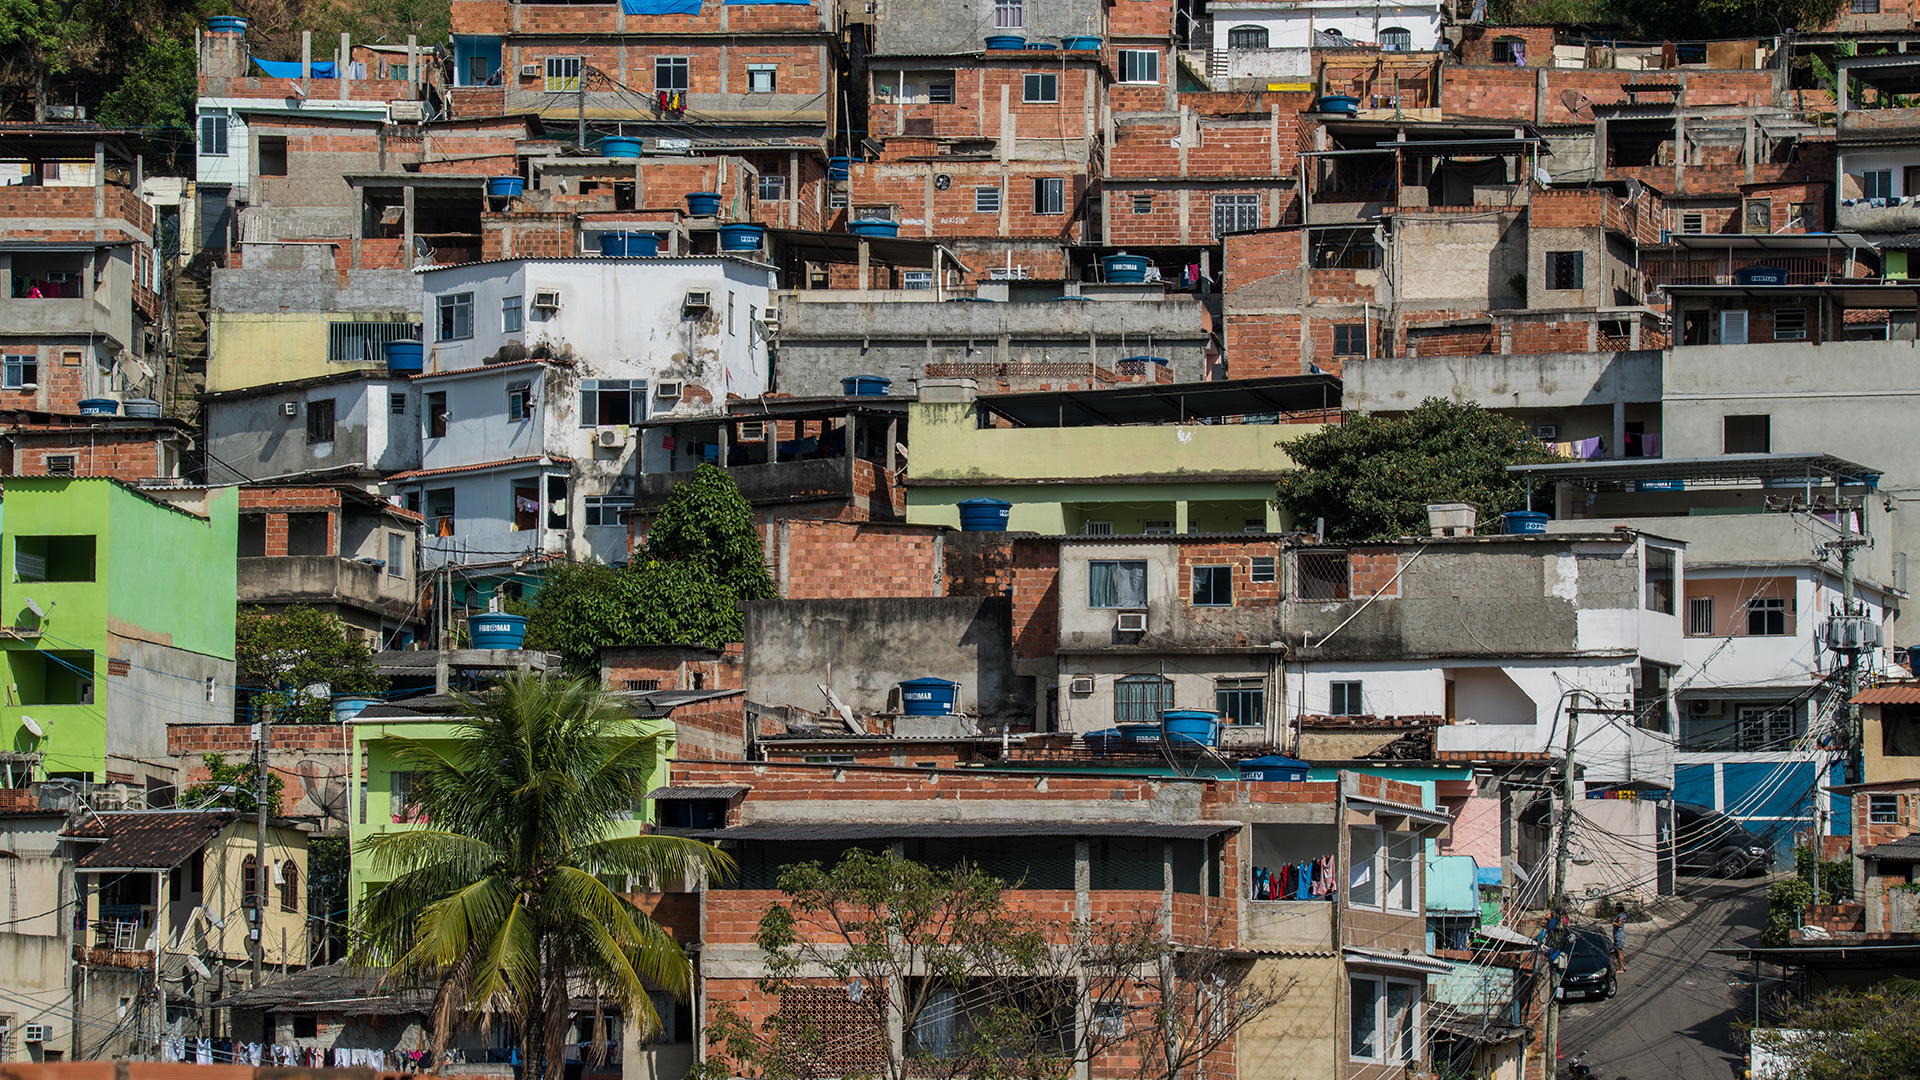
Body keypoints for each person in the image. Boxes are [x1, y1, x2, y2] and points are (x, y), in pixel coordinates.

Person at [1611, 902, 1629, 973]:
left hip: (1619, 936)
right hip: (1617, 935)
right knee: (1616, 951)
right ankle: (1621, 965)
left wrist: (1613, 923)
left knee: (1619, 951)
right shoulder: (1620, 915)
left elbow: (1619, 924)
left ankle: (1621, 968)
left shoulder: (1620, 916)